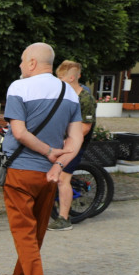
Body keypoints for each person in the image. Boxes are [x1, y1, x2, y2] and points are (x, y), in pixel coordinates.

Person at [0, 42, 82, 275]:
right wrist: (58, 164)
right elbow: (76, 138)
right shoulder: (69, 92)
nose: (20, 66)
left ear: (33, 62)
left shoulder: (19, 87)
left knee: (24, 232)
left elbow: (20, 133)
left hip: (21, 171)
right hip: (49, 176)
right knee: (36, 230)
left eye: (23, 61)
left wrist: (48, 152)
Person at [49, 60, 97, 231]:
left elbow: (84, 128)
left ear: (70, 78)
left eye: (60, 78)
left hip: (75, 143)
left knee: (63, 179)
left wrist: (67, 143)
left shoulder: (85, 99)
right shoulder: (64, 96)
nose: (58, 81)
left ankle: (64, 219)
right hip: (59, 141)